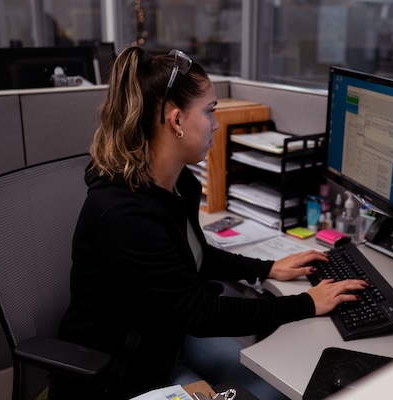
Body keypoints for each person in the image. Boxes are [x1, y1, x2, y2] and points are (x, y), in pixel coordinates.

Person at [53, 46, 368, 400]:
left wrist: (267, 269)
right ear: (176, 121)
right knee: (272, 394)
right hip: (123, 371)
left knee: (282, 387)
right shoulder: (123, 213)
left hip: (164, 335)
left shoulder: (177, 184)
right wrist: (306, 304)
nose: (216, 123)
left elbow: (197, 255)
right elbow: (200, 313)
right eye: (210, 111)